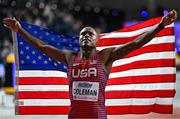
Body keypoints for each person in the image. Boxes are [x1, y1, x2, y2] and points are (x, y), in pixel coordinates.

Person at [3, 10, 177, 119]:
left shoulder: (105, 56)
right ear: (78, 40)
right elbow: (42, 47)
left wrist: (160, 26)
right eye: (82, 34)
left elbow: (135, 43)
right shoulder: (70, 57)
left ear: (96, 40)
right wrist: (20, 30)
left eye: (90, 34)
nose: (86, 36)